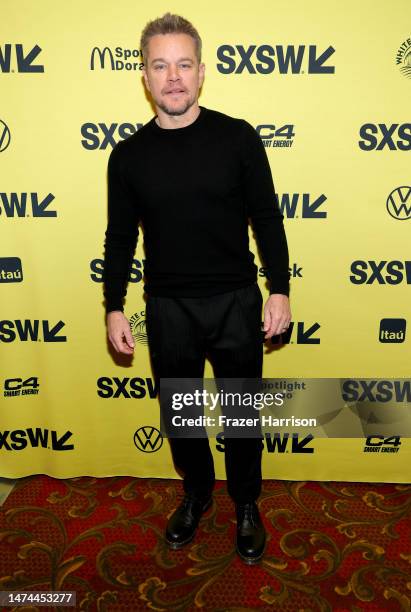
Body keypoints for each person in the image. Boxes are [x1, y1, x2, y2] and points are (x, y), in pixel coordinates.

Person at [103, 12, 291, 565]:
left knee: (241, 416)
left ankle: (247, 505)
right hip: (167, 308)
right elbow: (119, 237)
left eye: (184, 64)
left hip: (236, 302)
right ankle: (196, 494)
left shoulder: (237, 138)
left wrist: (278, 288)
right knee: (182, 420)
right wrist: (113, 305)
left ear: (202, 71)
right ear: (145, 76)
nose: (174, 77)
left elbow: (268, 218)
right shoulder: (128, 156)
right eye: (160, 65)